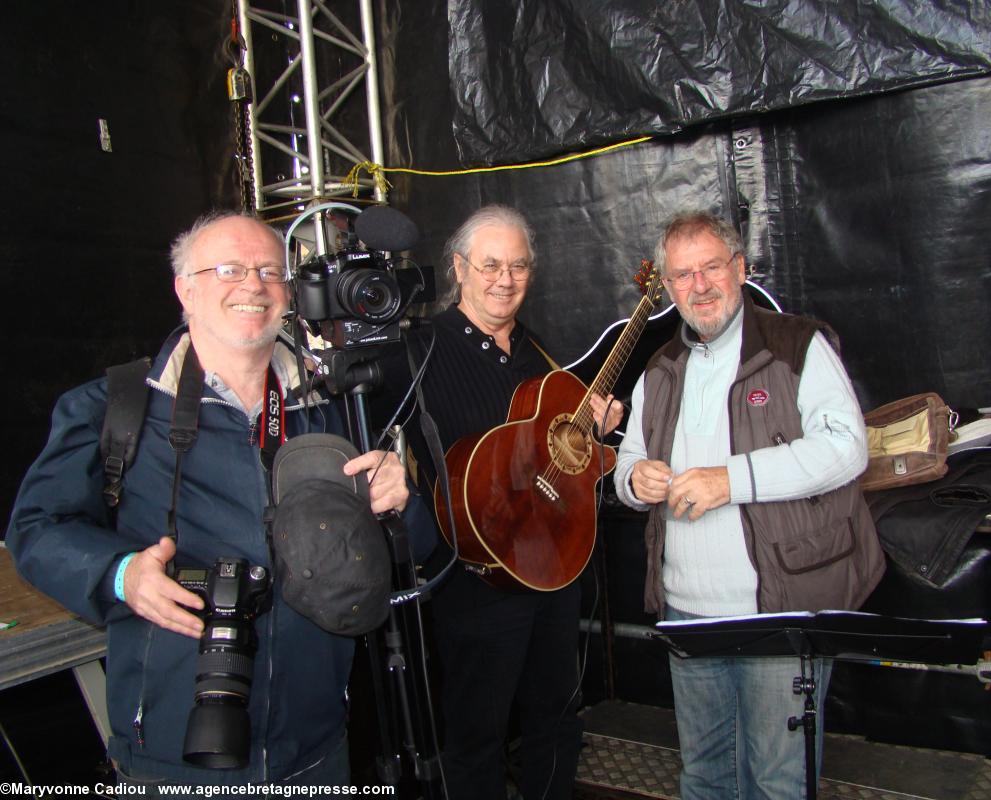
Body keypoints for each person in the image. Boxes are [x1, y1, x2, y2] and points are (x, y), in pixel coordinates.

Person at [6, 211, 410, 785]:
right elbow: (37, 528)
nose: (252, 284)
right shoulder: (116, 407)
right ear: (185, 290)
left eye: (270, 271)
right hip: (176, 749)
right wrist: (122, 576)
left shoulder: (335, 407)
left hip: (315, 742)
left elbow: (411, 553)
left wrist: (401, 503)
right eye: (228, 269)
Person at [613, 211, 885, 799]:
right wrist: (638, 481)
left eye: (712, 267)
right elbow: (625, 464)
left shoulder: (798, 345)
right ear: (667, 284)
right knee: (704, 775)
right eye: (683, 275)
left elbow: (847, 449)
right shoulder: (659, 370)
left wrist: (729, 480)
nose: (700, 286)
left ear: (739, 268)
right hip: (687, 613)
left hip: (779, 614)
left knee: (777, 781)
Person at [395, 205, 622, 800]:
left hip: (551, 566)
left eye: (519, 266)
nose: (505, 279)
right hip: (475, 579)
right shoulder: (417, 351)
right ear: (459, 269)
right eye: (490, 264)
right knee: (476, 740)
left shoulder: (534, 349)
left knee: (557, 721)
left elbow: (552, 450)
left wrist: (591, 430)